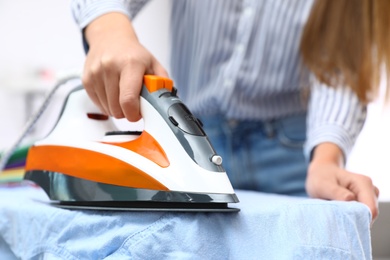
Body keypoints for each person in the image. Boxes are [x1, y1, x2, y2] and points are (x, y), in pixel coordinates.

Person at [70, 0, 380, 221]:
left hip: (291, 154)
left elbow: (343, 63)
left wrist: (326, 159)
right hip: (194, 138)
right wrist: (110, 35)